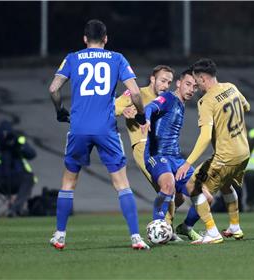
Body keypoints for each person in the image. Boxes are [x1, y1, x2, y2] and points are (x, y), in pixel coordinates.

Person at [48, 19, 149, 250]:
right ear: (106, 38)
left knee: (69, 181)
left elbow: (53, 88)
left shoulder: (73, 57)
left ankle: (60, 235)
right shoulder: (117, 58)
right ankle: (135, 237)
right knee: (121, 183)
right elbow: (134, 92)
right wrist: (141, 115)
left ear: (85, 39)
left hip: (79, 128)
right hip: (106, 129)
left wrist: (59, 110)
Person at [176, 58, 251, 244]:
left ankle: (212, 232)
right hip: (244, 152)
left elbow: (205, 137)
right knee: (225, 184)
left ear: (202, 78)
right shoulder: (231, 87)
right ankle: (235, 227)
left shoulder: (206, 101)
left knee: (193, 186)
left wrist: (187, 163)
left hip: (226, 156)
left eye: (196, 81)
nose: (196, 85)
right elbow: (246, 107)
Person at [115, 65, 187, 234]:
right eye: (162, 81)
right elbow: (113, 106)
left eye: (168, 82)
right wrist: (123, 110)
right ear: (152, 79)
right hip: (143, 147)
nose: (165, 85)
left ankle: (165, 228)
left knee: (180, 196)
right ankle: (165, 230)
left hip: (164, 150)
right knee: (168, 188)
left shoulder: (167, 99)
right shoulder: (136, 94)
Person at [144, 69, 202, 241]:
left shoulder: (182, 104)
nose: (191, 89)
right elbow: (151, 106)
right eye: (188, 84)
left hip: (176, 159)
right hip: (157, 155)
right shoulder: (169, 98)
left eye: (195, 86)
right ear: (179, 83)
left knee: (205, 196)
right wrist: (146, 119)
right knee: (168, 185)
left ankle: (186, 227)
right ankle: (158, 227)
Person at [0, 120, 36, 218]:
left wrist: (18, 145)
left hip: (17, 178)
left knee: (29, 178)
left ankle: (15, 210)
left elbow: (32, 155)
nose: (6, 137)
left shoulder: (19, 140)